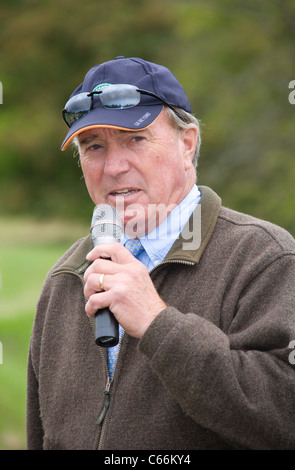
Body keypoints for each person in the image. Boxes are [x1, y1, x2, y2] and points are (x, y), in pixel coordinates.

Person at [27, 56, 295, 450]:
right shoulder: (65, 278)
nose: (114, 166)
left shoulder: (265, 258)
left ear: (187, 144)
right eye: (94, 146)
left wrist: (157, 323)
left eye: (135, 139)